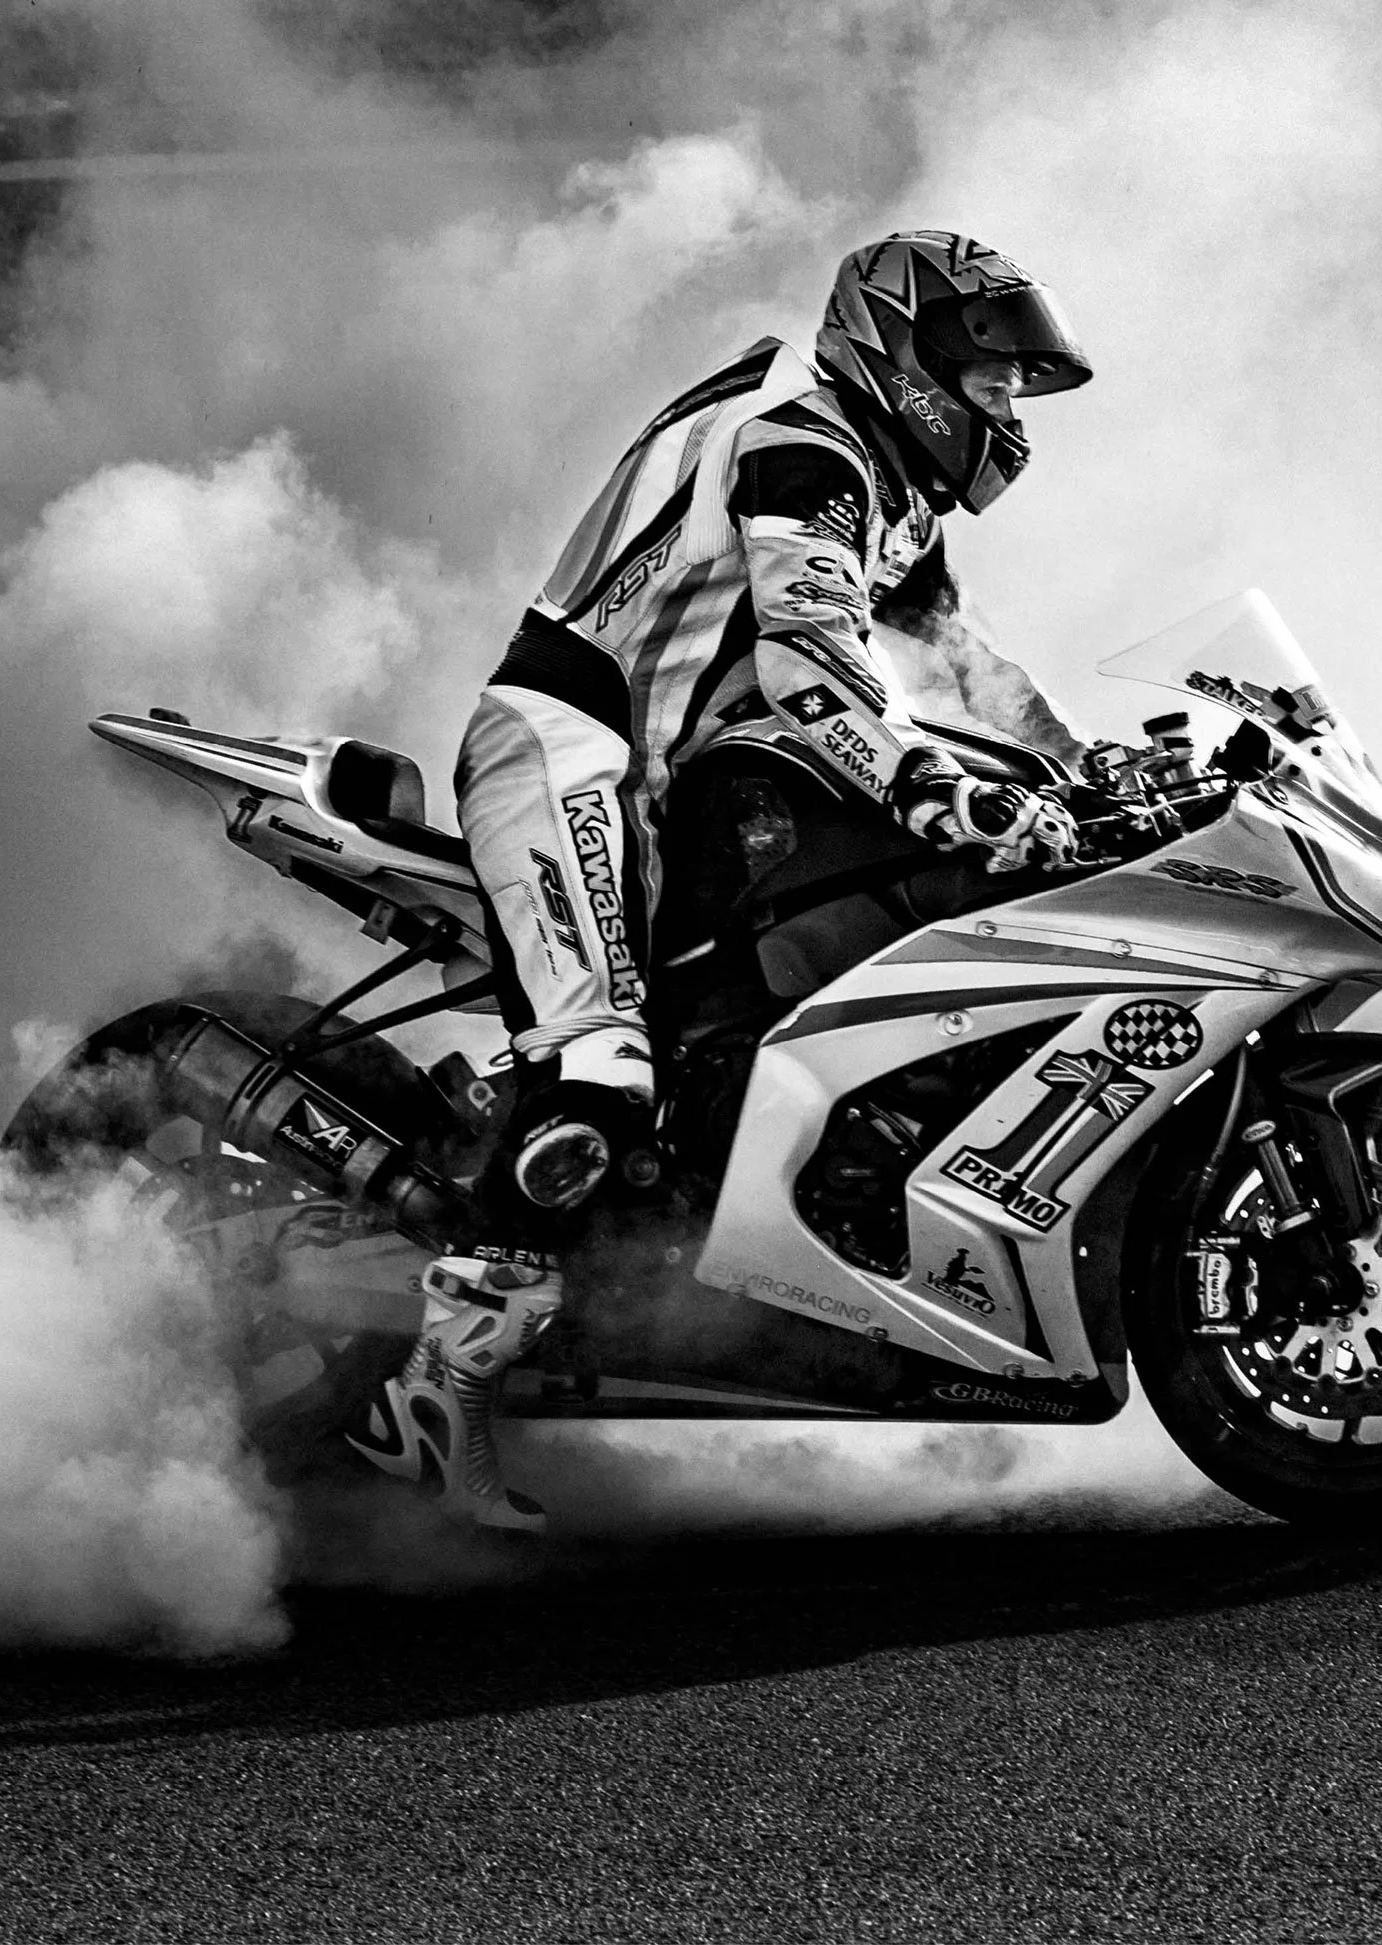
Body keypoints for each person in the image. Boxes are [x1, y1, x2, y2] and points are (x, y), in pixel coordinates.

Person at [351, 230, 1093, 1529]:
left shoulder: (888, 487)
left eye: (1018, 382)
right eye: (989, 373)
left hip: (666, 779)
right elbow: (815, 667)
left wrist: (1089, 782)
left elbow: (960, 662)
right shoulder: (808, 449)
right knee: (601, 1070)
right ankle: (434, 1391)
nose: (1007, 403)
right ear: (907, 352)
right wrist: (925, 784)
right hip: (569, 748)